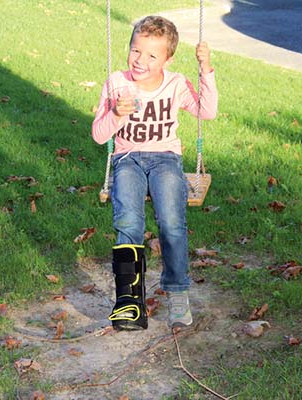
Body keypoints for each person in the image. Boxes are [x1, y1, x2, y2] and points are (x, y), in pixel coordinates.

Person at [92, 15, 218, 330]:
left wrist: (205, 69)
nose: (141, 60)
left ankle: (177, 295)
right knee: (128, 222)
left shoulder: (175, 84)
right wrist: (117, 116)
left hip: (165, 158)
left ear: (167, 59)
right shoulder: (116, 83)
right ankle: (129, 301)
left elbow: (207, 110)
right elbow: (98, 134)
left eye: (152, 55)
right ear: (129, 48)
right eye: (136, 51)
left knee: (172, 224)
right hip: (127, 159)